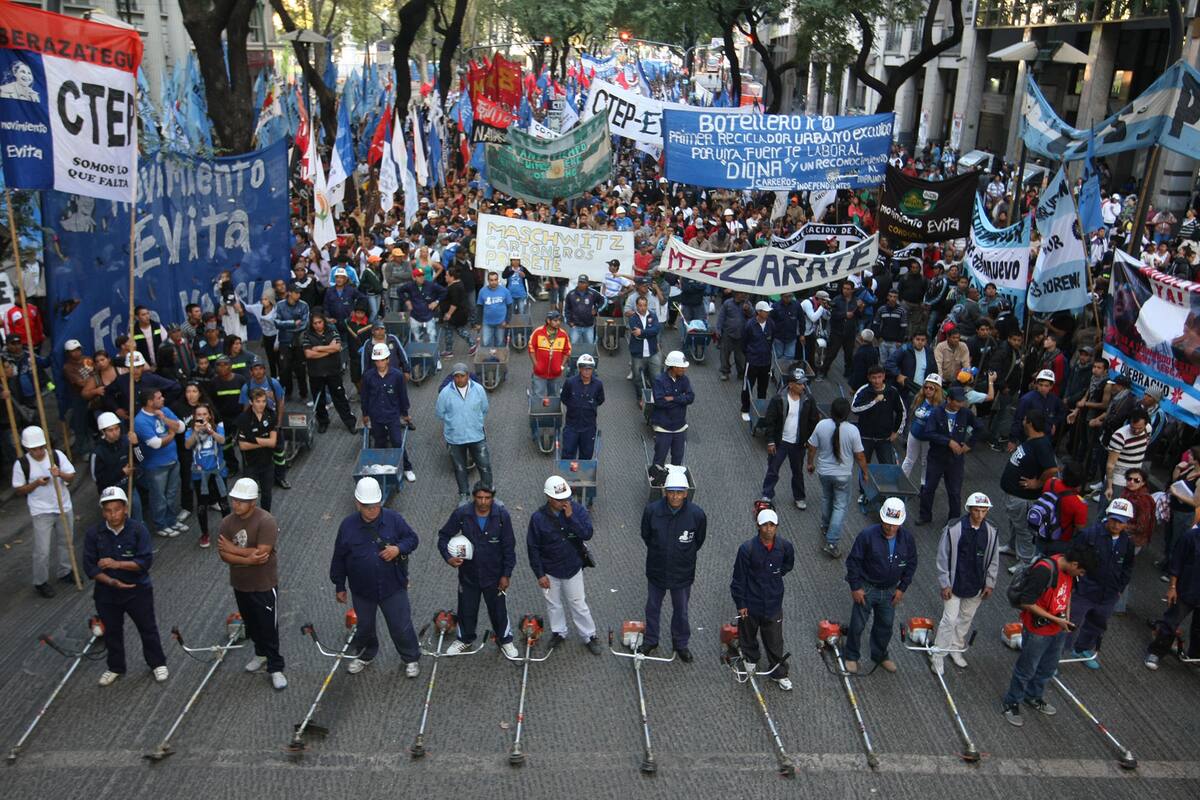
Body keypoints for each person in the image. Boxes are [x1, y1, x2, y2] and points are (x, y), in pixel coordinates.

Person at [330, 477, 422, 677]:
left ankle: (411, 657)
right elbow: (339, 557)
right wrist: (339, 586)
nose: (372, 510)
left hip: (393, 587)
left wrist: (398, 549)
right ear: (357, 503)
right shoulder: (347, 526)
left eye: (375, 506)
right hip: (362, 591)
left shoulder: (394, 519)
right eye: (367, 506)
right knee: (365, 627)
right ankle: (365, 655)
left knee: (400, 625)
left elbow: (412, 539)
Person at [1002, 543, 1098, 727]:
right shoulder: (1044, 571)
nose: (1081, 575)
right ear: (1075, 564)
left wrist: (1065, 619)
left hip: (1058, 629)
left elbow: (1067, 594)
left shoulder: (1069, 572)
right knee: (1026, 669)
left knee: (1047, 667)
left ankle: (1033, 696)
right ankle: (1011, 702)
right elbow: (1027, 602)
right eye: (1082, 571)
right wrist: (1055, 619)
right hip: (1038, 630)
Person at [84, 486, 169, 686]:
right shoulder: (94, 534)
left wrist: (116, 564)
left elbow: (144, 562)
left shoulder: (138, 530)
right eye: (108, 510)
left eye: (117, 509)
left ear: (125, 509)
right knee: (112, 631)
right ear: (103, 512)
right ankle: (115, 667)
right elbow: (89, 567)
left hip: (137, 591)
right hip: (106, 593)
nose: (113, 514)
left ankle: (157, 662)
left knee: (147, 627)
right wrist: (112, 581)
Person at [217, 477, 286, 690]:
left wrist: (234, 549)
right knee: (252, 624)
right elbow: (223, 554)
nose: (236, 504)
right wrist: (246, 559)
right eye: (234, 499)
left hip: (264, 584)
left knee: (268, 627)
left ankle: (275, 666)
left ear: (253, 502)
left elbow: (262, 553)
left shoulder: (266, 521)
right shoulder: (227, 522)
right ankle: (260, 654)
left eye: (241, 500)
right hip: (240, 584)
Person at [437, 482, 518, 658]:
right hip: (469, 575)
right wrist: (449, 558)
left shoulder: (502, 516)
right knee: (466, 609)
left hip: (495, 576)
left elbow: (509, 547)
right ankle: (464, 639)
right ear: (473, 497)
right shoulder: (462, 514)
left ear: (493, 498)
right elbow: (443, 537)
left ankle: (505, 639)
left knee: (498, 610)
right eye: (479, 497)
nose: (483, 502)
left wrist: (506, 574)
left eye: (487, 498)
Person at [526, 475, 601, 654]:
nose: (563, 502)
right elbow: (532, 547)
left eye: (565, 498)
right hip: (550, 570)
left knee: (578, 603)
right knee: (553, 604)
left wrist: (571, 519)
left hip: (572, 567)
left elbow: (587, 533)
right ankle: (559, 632)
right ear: (548, 498)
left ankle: (589, 635)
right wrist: (540, 574)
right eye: (559, 499)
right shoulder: (537, 518)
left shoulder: (578, 511)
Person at [842, 498, 918, 673]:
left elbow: (912, 564)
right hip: (867, 588)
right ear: (882, 519)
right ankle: (851, 655)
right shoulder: (867, 535)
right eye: (887, 523)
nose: (890, 528)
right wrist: (855, 587)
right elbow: (853, 562)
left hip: (890, 590)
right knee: (858, 624)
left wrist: (902, 588)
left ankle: (880, 655)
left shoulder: (907, 539)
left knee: (885, 625)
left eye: (894, 525)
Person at [640, 470, 707, 661]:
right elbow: (646, 535)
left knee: (681, 610)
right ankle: (651, 640)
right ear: (665, 491)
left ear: (686, 493)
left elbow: (698, 541)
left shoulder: (697, 515)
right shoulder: (652, 511)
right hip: (657, 570)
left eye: (679, 492)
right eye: (671, 492)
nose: (675, 496)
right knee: (652, 607)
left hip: (682, 573)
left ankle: (681, 644)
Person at [931, 492, 999, 674]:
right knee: (950, 619)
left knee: (965, 619)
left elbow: (994, 559)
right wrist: (945, 583)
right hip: (954, 584)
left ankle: (956, 648)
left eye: (984, 511)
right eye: (976, 510)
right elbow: (942, 557)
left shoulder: (991, 531)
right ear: (969, 510)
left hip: (976, 585)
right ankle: (938, 655)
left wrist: (990, 583)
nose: (980, 515)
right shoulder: (953, 529)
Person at [730, 508, 795, 690]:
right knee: (748, 635)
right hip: (751, 604)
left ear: (777, 527)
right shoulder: (747, 549)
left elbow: (788, 565)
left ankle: (779, 672)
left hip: (773, 603)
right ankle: (750, 660)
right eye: (765, 525)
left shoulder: (785, 547)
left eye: (772, 525)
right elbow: (738, 579)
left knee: (775, 639)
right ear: (758, 527)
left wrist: (776, 575)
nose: (768, 529)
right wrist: (741, 604)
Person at [1067, 498, 1135, 668]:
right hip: (1085, 589)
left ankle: (1082, 649)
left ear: (1127, 523)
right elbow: (1072, 558)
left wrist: (1119, 588)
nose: (1116, 525)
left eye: (1121, 522)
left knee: (1097, 623)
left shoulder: (1127, 543)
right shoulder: (1089, 535)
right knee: (1070, 623)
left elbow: (1127, 567)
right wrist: (1076, 583)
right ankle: (1053, 657)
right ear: (1107, 517)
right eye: (1113, 520)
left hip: (1108, 594)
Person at [12, 426, 76, 598]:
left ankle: (66, 571)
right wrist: (35, 484)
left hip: (63, 505)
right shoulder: (21, 464)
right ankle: (40, 581)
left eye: (41, 447)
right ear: (27, 449)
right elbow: (19, 490)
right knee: (42, 550)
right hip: (41, 511)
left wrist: (60, 473)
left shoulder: (56, 456)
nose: (39, 452)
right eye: (34, 449)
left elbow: (71, 476)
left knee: (67, 542)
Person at [808, 397, 870, 558]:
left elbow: (812, 447)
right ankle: (832, 541)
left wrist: (810, 464)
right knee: (840, 506)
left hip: (824, 472)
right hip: (843, 475)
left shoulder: (822, 425)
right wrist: (864, 472)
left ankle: (825, 525)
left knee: (827, 498)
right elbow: (860, 456)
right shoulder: (852, 431)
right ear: (848, 414)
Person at [999, 410, 1059, 568]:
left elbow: (1052, 469)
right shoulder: (1032, 440)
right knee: (1015, 523)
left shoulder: (1041, 445)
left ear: (1030, 423)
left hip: (1023, 498)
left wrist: (1038, 483)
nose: (1023, 421)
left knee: (1024, 530)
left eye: (1025, 419)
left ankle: (1025, 561)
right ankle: (1012, 547)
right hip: (1014, 495)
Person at [916, 386, 980, 525]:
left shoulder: (966, 413)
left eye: (962, 401)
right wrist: (948, 442)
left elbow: (980, 428)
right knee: (928, 488)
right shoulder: (936, 412)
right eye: (957, 401)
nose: (960, 404)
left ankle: (954, 519)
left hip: (955, 460)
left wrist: (969, 445)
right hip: (936, 457)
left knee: (955, 492)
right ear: (949, 399)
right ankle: (925, 515)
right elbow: (928, 433)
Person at [761, 365, 820, 509]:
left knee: (798, 472)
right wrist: (770, 441)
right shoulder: (778, 399)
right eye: (800, 384)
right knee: (773, 469)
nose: (803, 387)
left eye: (804, 383)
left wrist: (809, 440)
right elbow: (770, 421)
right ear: (791, 384)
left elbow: (813, 420)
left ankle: (799, 497)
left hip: (798, 444)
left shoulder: (808, 400)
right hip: (780, 442)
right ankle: (767, 494)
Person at [1145, 519, 1200, 669]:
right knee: (1170, 623)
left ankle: (1195, 656)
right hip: (1185, 590)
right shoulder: (1190, 537)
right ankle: (1155, 652)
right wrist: (1172, 587)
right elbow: (1176, 564)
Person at [435, 363, 493, 505]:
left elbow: (484, 408)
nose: (459, 379)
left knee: (484, 465)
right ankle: (464, 495)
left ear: (468, 376)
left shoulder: (478, 390)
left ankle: (488, 492)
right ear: (453, 378)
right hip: (455, 439)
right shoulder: (445, 394)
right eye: (456, 376)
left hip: (476, 436)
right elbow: (439, 413)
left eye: (462, 376)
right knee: (460, 468)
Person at [133, 388, 187, 538]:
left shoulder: (165, 410)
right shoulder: (140, 421)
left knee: (172, 493)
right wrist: (171, 433)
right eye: (159, 397)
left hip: (173, 460)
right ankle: (160, 524)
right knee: (159, 497)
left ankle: (171, 520)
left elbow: (181, 427)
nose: (163, 399)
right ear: (150, 402)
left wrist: (164, 419)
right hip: (155, 466)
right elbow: (156, 443)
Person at [361, 343, 416, 482]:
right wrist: (365, 414)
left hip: (392, 415)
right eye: (377, 360)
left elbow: (402, 396)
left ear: (387, 359)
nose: (379, 363)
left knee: (397, 442)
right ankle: (381, 469)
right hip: (376, 415)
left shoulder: (397, 376)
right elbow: (365, 397)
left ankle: (407, 468)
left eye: (382, 359)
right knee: (379, 443)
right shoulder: (368, 376)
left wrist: (405, 413)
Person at [240, 355, 290, 490]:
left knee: (279, 452)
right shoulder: (247, 387)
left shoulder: (273, 383)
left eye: (261, 368)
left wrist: (278, 422)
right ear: (251, 371)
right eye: (255, 369)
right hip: (256, 427)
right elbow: (245, 409)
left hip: (273, 423)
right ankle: (258, 482)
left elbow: (280, 402)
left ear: (264, 370)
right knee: (259, 454)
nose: (258, 371)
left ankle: (281, 477)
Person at [303, 312, 357, 435]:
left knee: (340, 398)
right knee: (319, 400)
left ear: (324, 321)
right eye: (314, 323)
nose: (317, 325)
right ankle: (323, 422)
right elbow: (308, 354)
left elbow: (337, 348)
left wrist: (317, 348)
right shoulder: (307, 335)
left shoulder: (332, 331)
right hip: (316, 373)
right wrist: (328, 350)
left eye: (319, 322)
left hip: (333, 372)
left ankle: (350, 422)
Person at [183, 403, 229, 548]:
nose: (202, 417)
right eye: (199, 415)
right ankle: (204, 533)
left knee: (224, 503)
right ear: (194, 417)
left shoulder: (218, 426)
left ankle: (228, 532)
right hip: (200, 474)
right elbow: (187, 445)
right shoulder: (190, 430)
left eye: (204, 414)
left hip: (218, 472)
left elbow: (222, 441)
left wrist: (211, 432)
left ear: (209, 415)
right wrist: (196, 432)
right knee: (202, 505)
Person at [91, 411, 143, 521]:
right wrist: (122, 473)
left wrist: (135, 444)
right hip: (112, 495)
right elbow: (99, 480)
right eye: (110, 430)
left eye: (117, 428)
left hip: (130, 488)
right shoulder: (98, 453)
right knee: (117, 523)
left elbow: (140, 459)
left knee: (138, 520)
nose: (115, 432)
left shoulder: (126, 441)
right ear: (103, 432)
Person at [851, 364, 906, 466]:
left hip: (884, 438)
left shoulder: (892, 391)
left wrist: (897, 431)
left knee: (888, 467)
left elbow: (901, 412)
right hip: (865, 437)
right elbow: (854, 409)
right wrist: (874, 401)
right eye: (874, 378)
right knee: (863, 468)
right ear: (869, 378)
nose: (877, 381)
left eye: (879, 377)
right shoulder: (863, 391)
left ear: (884, 376)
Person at [650, 351, 694, 476]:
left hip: (680, 428)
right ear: (673, 367)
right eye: (681, 367)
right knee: (659, 460)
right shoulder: (659, 380)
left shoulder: (685, 380)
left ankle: (674, 483)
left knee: (678, 461)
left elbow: (691, 398)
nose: (684, 369)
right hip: (663, 428)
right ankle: (656, 481)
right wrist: (681, 398)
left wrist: (673, 398)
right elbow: (660, 402)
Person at [236, 389, 278, 513]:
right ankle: (249, 520)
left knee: (267, 494)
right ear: (251, 402)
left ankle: (266, 519)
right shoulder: (243, 419)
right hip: (250, 465)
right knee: (249, 495)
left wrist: (253, 440)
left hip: (267, 463)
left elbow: (273, 442)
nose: (261, 404)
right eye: (258, 401)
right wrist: (265, 441)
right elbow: (243, 446)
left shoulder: (271, 415)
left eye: (264, 401)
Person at [559, 353, 604, 460]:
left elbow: (600, 400)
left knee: (586, 455)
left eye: (589, 368)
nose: (587, 371)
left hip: (589, 427)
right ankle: (567, 476)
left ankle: (583, 476)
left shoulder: (598, 384)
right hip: (571, 426)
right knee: (567, 454)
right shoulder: (570, 382)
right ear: (579, 368)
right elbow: (564, 398)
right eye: (584, 368)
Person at [1008, 369, 1066, 450]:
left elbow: (1062, 411)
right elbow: (1018, 419)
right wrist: (1012, 440)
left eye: (1046, 386)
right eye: (1041, 385)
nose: (1043, 388)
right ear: (1036, 384)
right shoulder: (1027, 399)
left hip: (1045, 439)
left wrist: (1054, 423)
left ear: (1051, 386)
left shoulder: (1054, 399)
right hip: (1028, 439)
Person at [901, 374, 943, 484]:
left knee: (926, 462)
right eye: (926, 387)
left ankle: (924, 485)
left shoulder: (940, 406)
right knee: (909, 459)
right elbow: (912, 414)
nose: (928, 390)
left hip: (928, 439)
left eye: (931, 388)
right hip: (914, 433)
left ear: (937, 390)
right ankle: (901, 481)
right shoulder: (919, 399)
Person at [1104, 408, 1151, 502]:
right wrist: (1109, 487)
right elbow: (1110, 465)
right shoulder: (1119, 436)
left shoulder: (1148, 429)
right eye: (1133, 428)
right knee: (1109, 508)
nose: (1136, 431)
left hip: (1136, 479)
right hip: (1118, 481)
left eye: (1140, 428)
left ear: (1145, 425)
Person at [274, 282, 311, 401]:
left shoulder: (304, 305)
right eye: (296, 292)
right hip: (285, 342)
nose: (298, 295)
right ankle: (287, 393)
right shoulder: (280, 305)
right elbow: (276, 323)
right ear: (289, 293)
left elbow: (304, 324)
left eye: (299, 293)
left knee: (301, 369)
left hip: (299, 342)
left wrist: (287, 326)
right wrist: (293, 323)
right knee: (285, 369)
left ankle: (304, 394)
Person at [740, 301, 775, 422]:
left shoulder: (771, 324)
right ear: (759, 312)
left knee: (763, 388)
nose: (768, 313)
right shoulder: (749, 325)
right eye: (765, 311)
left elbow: (772, 340)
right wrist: (750, 354)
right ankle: (745, 409)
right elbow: (743, 344)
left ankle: (760, 409)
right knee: (748, 386)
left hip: (766, 362)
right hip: (752, 362)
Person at [528, 309, 571, 398]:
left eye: (559, 320)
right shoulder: (538, 332)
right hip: (539, 372)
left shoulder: (563, 334)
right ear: (548, 321)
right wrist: (536, 365)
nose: (558, 323)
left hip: (556, 373)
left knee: (554, 397)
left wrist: (561, 366)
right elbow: (531, 348)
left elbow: (567, 351)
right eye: (555, 321)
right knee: (538, 396)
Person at [628, 294, 662, 396]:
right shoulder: (633, 318)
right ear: (636, 306)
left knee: (656, 377)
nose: (642, 308)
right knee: (637, 378)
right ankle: (640, 397)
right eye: (640, 305)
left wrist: (642, 332)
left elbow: (656, 330)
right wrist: (649, 333)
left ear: (647, 306)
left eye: (644, 305)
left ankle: (656, 397)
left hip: (653, 352)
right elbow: (636, 334)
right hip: (638, 354)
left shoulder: (653, 316)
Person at [476, 271, 513, 348]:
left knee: (499, 343)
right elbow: (479, 307)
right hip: (487, 323)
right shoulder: (482, 291)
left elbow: (510, 307)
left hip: (501, 323)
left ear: (498, 280)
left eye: (495, 279)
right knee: (486, 343)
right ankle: (489, 359)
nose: (494, 282)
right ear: (488, 281)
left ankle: (498, 358)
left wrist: (507, 321)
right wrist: (478, 323)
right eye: (491, 280)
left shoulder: (505, 291)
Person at [717, 292, 749, 381]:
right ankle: (725, 372)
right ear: (736, 294)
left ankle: (741, 373)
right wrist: (718, 329)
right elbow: (721, 317)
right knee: (724, 354)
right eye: (741, 293)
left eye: (744, 294)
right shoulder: (727, 303)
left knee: (740, 356)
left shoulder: (747, 303)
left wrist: (748, 310)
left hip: (741, 334)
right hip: (727, 333)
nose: (743, 295)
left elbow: (753, 315)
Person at [565, 274, 601, 344]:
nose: (581, 284)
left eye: (583, 282)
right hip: (575, 326)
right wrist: (569, 322)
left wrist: (596, 309)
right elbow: (567, 309)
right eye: (580, 282)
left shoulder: (593, 293)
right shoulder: (571, 294)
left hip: (589, 326)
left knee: (589, 346)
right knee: (573, 347)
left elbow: (603, 301)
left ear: (587, 284)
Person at [769, 293, 802, 361]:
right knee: (777, 357)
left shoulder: (797, 305)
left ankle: (785, 370)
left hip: (791, 337)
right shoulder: (775, 306)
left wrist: (802, 334)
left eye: (790, 296)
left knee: (790, 357)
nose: (788, 298)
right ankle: (776, 370)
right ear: (781, 296)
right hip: (778, 337)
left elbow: (802, 320)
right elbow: (770, 321)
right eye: (786, 297)